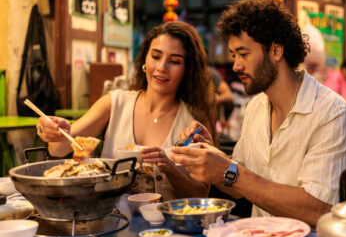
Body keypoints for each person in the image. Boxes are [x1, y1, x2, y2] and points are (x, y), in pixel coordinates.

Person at [171, 0, 346, 227]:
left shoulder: (333, 113)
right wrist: (212, 157)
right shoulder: (256, 107)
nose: (236, 65)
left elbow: (317, 210)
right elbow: (238, 187)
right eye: (233, 56)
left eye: (244, 54)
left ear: (276, 50)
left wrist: (229, 171)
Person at [35, 21, 216, 200]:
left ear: (187, 70)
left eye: (175, 61)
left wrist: (169, 167)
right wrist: (56, 131)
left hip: (169, 227)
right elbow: (62, 147)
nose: (162, 67)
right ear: (145, 59)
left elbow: (200, 193)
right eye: (155, 56)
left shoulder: (194, 122)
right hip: (110, 222)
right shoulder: (114, 103)